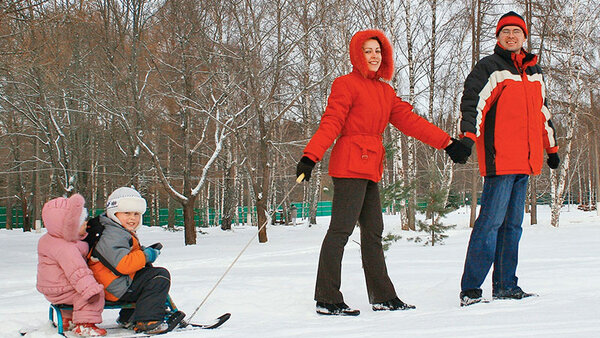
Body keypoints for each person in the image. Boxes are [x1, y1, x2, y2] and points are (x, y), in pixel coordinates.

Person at [296, 29, 463, 316]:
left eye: (378, 51)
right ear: (357, 55)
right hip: (349, 165)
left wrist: (447, 143)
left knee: (373, 233)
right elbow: (331, 122)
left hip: (371, 167)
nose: (374, 56)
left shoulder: (385, 92)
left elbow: (411, 122)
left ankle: (383, 296)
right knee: (340, 231)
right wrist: (310, 157)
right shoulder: (345, 84)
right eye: (368, 51)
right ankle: (326, 298)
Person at [453, 11, 560, 306]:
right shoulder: (490, 68)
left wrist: (551, 149)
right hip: (500, 162)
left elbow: (543, 112)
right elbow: (473, 102)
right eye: (505, 32)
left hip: (526, 162)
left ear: (524, 37)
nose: (511, 36)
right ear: (498, 37)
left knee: (513, 226)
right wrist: (467, 138)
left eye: (516, 31)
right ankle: (471, 288)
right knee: (489, 224)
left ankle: (505, 285)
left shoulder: (534, 72)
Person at [88, 187, 183, 334]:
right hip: (113, 287)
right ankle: (148, 320)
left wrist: (144, 252)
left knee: (147, 273)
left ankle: (129, 317)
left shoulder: (116, 229)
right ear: (114, 212)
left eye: (136, 214)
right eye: (127, 213)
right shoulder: (111, 234)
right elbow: (122, 265)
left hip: (113, 283)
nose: (132, 218)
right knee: (158, 276)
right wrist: (146, 255)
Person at [37, 194, 107, 337]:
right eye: (81, 223)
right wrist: (91, 290)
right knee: (91, 294)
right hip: (62, 289)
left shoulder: (49, 239)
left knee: (75, 291)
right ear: (69, 226)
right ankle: (85, 325)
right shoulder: (66, 249)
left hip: (52, 288)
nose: (86, 224)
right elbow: (78, 272)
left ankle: (67, 319)